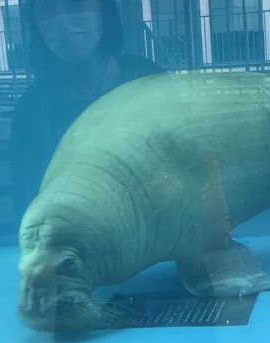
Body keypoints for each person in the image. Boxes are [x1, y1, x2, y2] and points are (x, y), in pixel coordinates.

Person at [10, 0, 163, 223]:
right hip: (78, 244)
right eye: (46, 7)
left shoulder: (146, 78)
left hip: (155, 230)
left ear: (103, 11)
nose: (61, 20)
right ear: (34, 21)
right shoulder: (30, 109)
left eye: (74, 3)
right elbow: (27, 208)